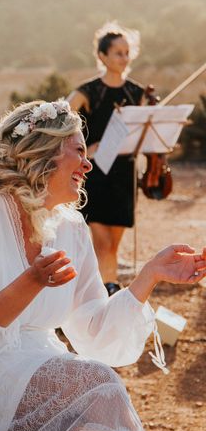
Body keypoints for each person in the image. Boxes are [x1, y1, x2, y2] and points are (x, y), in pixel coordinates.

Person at [0, 100, 206, 431]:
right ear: (43, 152)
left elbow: (92, 328)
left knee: (92, 388)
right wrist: (31, 282)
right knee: (96, 383)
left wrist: (149, 275)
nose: (88, 164)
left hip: (47, 366)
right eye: (79, 151)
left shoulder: (71, 226)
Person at [67, 22, 146, 295]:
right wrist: (86, 150)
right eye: (118, 53)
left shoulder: (137, 93)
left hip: (125, 173)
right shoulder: (86, 92)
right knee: (100, 242)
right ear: (102, 56)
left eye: (127, 52)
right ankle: (108, 290)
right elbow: (60, 123)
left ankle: (105, 287)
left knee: (113, 243)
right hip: (95, 173)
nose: (124, 58)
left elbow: (144, 131)